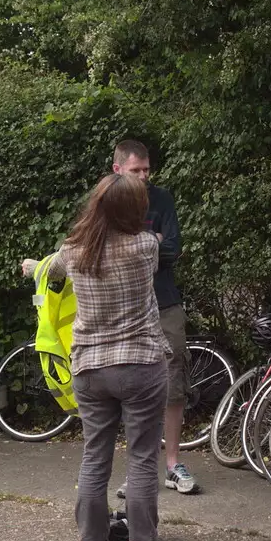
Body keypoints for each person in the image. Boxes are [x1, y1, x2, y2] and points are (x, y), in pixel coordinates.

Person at [21, 173, 180, 541]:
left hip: (89, 368)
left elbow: (49, 268)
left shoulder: (75, 251)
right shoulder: (145, 247)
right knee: (142, 458)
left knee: (95, 457)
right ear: (135, 211)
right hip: (140, 364)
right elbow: (158, 243)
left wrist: (31, 268)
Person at [111, 139, 201, 494]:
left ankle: (172, 463)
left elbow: (173, 248)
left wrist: (137, 242)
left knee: (172, 380)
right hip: (124, 307)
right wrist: (152, 239)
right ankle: (139, 469)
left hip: (164, 303)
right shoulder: (107, 202)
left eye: (147, 169)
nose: (144, 177)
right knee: (130, 387)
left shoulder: (162, 199)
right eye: (136, 170)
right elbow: (104, 249)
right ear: (118, 169)